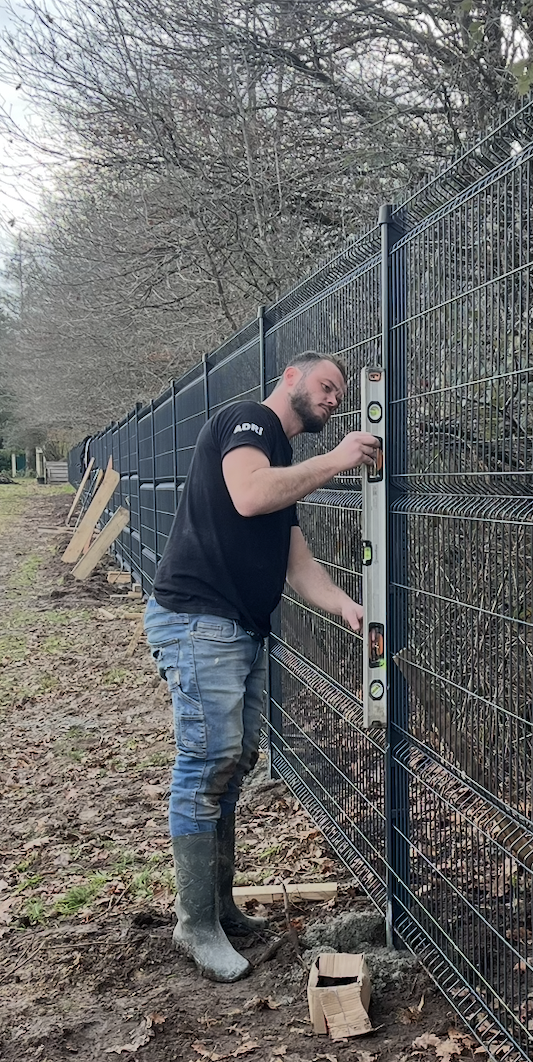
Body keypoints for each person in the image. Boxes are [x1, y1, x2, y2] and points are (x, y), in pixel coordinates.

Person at [144, 351, 379, 982]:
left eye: (340, 394)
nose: (333, 400)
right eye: (326, 386)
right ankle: (195, 925)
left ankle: (217, 906)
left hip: (240, 628)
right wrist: (335, 461)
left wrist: (346, 607)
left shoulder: (282, 467)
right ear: (290, 380)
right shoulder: (247, 421)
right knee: (210, 759)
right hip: (199, 618)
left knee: (236, 757)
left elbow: (296, 564)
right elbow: (248, 496)